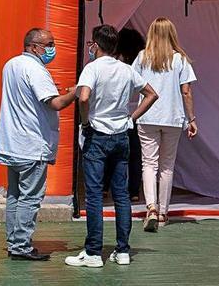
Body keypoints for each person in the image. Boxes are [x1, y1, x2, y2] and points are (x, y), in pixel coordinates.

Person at [65, 25, 158, 268]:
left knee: (94, 194)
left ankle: (94, 252)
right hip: (120, 135)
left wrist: (86, 121)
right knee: (121, 194)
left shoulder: (92, 68)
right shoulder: (126, 70)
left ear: (96, 45)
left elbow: (83, 96)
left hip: (97, 134)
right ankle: (123, 250)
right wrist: (131, 118)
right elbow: (151, 94)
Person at [0, 28, 76, 261]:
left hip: (12, 143)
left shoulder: (11, 64)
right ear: (34, 46)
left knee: (15, 196)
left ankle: (14, 241)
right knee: (29, 198)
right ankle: (21, 245)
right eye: (49, 44)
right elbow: (56, 103)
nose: (52, 49)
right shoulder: (36, 69)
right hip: (31, 145)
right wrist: (77, 92)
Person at [132, 17, 197, 232]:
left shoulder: (142, 57)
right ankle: (163, 213)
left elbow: (132, 84)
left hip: (147, 116)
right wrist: (191, 119)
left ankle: (150, 206)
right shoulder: (180, 59)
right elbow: (186, 91)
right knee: (167, 166)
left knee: (148, 163)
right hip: (173, 117)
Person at [112, 27, 146, 201]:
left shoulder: (116, 63)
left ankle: (105, 186)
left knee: (112, 153)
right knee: (135, 153)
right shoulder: (142, 60)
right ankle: (133, 191)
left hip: (118, 112)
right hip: (138, 112)